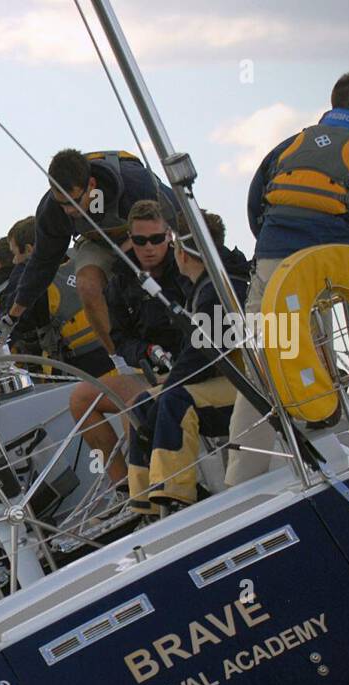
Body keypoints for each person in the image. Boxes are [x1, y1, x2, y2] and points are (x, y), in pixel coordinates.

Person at [230, 71, 349, 484]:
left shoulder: (287, 145)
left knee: (262, 363)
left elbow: (256, 206)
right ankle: (327, 459)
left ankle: (240, 477)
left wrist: (276, 252)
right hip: (320, 269)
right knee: (314, 357)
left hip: (272, 263)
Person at [126, 210, 250, 514]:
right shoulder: (207, 286)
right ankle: (146, 505)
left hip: (252, 384)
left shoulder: (220, 289)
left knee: (175, 400)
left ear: (181, 251)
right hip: (230, 378)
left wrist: (170, 386)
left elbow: (203, 355)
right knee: (142, 403)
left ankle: (175, 495)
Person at [2, 149, 177, 353]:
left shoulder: (136, 183)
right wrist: (13, 315)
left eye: (74, 202)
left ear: (91, 185)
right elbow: (42, 265)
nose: (69, 210)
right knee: (87, 283)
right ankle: (122, 360)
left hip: (146, 234)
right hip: (97, 241)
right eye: (62, 203)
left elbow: (180, 218)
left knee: (149, 272)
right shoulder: (52, 211)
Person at [66, 199, 189, 485]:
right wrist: (144, 353)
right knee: (81, 399)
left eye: (156, 239)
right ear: (130, 240)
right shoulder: (121, 280)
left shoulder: (187, 269)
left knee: (135, 404)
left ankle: (147, 489)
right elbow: (121, 339)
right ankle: (124, 487)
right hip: (150, 370)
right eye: (141, 240)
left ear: (168, 237)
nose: (149, 247)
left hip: (191, 367)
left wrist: (177, 367)